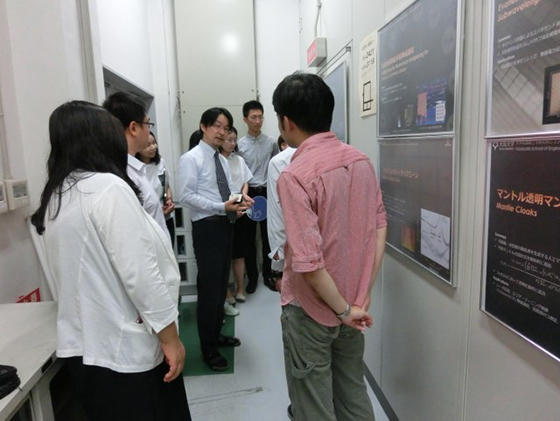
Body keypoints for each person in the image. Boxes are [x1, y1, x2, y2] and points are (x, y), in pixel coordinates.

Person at [30, 101, 191, 420]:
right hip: (126, 352)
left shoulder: (58, 193)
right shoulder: (108, 188)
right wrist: (171, 338)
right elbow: (141, 273)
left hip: (87, 349)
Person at [273, 73, 387, 421]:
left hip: (312, 310)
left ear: (287, 122)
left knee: (314, 405)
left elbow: (308, 263)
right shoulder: (360, 160)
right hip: (354, 304)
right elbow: (379, 226)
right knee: (353, 391)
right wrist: (360, 297)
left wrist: (341, 310)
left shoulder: (294, 175)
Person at [177, 107, 253, 371]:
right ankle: (207, 349)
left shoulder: (221, 159)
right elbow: (186, 196)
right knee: (209, 291)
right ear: (203, 126)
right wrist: (222, 207)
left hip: (226, 225)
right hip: (207, 229)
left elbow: (227, 192)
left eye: (226, 128)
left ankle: (216, 334)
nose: (222, 132)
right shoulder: (191, 158)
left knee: (221, 287)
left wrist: (240, 201)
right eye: (217, 126)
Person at [103, 91, 170, 241]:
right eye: (147, 124)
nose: (149, 131)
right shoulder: (122, 175)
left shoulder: (134, 168)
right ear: (133, 128)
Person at [237, 100, 279, 294]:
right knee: (248, 239)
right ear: (245, 119)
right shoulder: (239, 145)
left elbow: (277, 167)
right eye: (253, 117)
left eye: (260, 117)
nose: (257, 121)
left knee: (268, 236)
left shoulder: (271, 142)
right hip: (248, 193)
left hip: (267, 192)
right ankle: (252, 277)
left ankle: (268, 274)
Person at [220, 126, 253, 315]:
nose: (232, 143)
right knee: (224, 254)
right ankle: (226, 292)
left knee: (239, 253)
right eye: (228, 139)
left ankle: (240, 289)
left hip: (240, 209)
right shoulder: (216, 160)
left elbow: (245, 183)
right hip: (223, 211)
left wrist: (241, 201)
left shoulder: (239, 160)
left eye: (234, 140)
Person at [136, 131, 176, 246]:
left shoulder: (160, 163)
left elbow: (167, 186)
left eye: (154, 143)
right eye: (148, 145)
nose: (153, 147)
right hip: (148, 221)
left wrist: (169, 199)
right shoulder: (135, 169)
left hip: (166, 218)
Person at [266, 136, 296, 292]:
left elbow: (277, 212)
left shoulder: (280, 161)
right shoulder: (349, 157)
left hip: (294, 248)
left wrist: (278, 263)